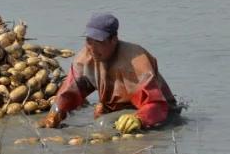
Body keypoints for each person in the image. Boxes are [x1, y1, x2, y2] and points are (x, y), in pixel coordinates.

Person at [37, 13, 175, 134]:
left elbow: (156, 104)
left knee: (103, 124)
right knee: (99, 113)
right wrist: (55, 114)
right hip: (118, 110)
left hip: (158, 113)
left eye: (98, 42)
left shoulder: (135, 61)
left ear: (113, 40)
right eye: (89, 41)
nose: (92, 48)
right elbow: (70, 93)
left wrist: (139, 118)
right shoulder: (86, 59)